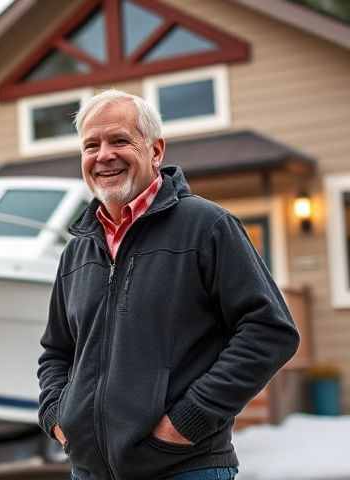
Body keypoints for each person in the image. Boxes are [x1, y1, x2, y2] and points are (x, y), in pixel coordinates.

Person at [37, 89, 300, 480]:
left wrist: (187, 422)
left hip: (183, 468)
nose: (103, 155)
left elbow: (269, 331)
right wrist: (59, 418)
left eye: (120, 140)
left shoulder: (207, 227)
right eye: (91, 145)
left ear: (155, 151)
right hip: (89, 471)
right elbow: (57, 352)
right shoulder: (77, 251)